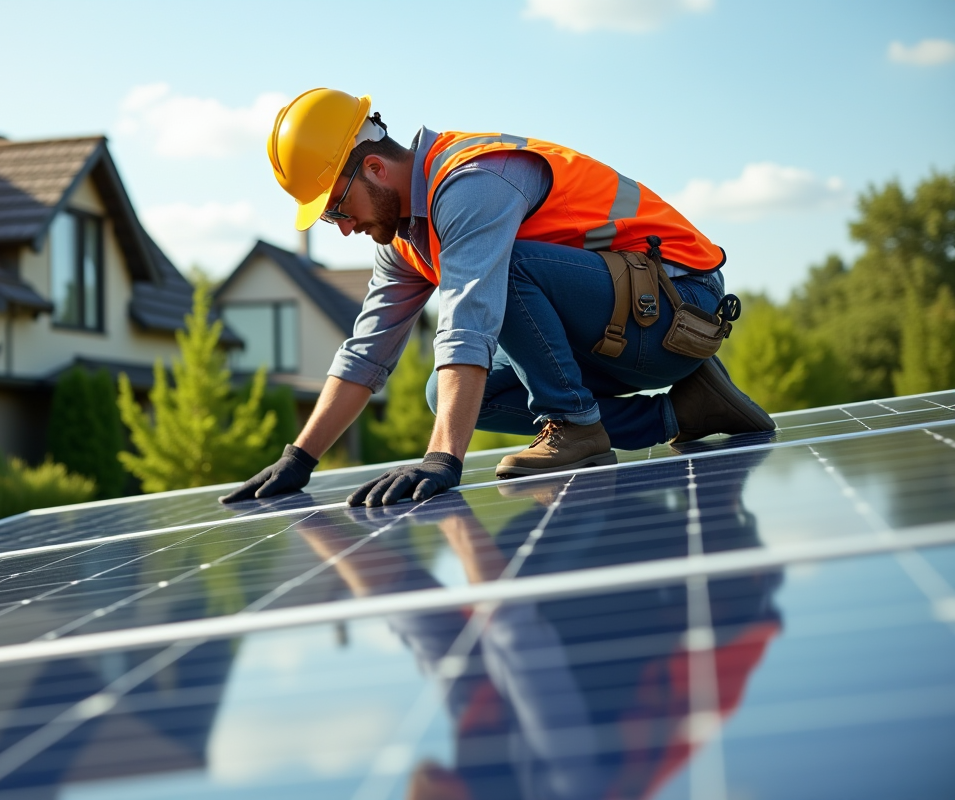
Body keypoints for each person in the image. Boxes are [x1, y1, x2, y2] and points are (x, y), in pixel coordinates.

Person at [222, 88, 773, 508]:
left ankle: (575, 423)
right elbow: (367, 352)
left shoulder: (472, 182)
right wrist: (300, 457)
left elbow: (469, 321)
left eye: (338, 208)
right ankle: (683, 410)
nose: (342, 229)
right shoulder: (406, 239)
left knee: (495, 274)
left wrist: (442, 459)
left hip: (680, 308)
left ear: (373, 167)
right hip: (623, 327)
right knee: (449, 396)